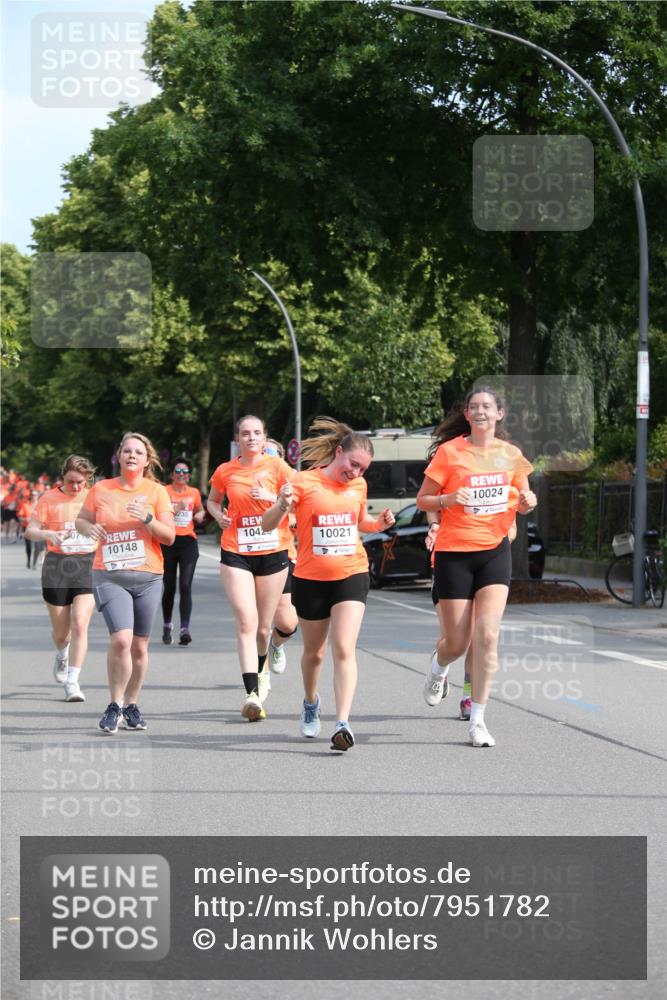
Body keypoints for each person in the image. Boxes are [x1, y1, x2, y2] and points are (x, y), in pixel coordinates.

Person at [263, 417, 395, 752]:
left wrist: (377, 523)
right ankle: (310, 702)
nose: (357, 474)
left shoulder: (359, 487)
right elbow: (268, 525)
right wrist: (282, 503)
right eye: (353, 465)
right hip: (310, 578)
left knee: (344, 648)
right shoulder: (303, 482)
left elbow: (359, 522)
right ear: (339, 452)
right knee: (314, 652)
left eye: (364, 469)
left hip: (352, 573)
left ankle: (343, 723)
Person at [416, 388, 537, 748]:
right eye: (474, 407)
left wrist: (529, 502)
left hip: (494, 552)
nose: (480, 411)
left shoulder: (511, 455)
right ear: (467, 415)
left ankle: (479, 721)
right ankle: (440, 666)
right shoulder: (450, 453)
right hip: (454, 553)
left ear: (500, 414)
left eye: (487, 406)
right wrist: (447, 500)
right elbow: (423, 498)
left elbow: (524, 501)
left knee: (487, 637)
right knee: (457, 643)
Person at [76, 433, 175, 734]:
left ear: (147, 460)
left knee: (140, 647)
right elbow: (81, 521)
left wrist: (147, 518)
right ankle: (114, 704)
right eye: (127, 451)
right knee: (121, 640)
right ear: (118, 456)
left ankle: (132, 704)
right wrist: (89, 528)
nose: (132, 456)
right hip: (109, 574)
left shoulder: (157, 492)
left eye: (139, 452)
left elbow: (169, 536)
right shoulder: (101, 489)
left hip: (148, 577)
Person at [207, 416, 294, 722]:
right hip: (236, 551)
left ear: (264, 436)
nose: (252, 438)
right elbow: (213, 500)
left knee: (262, 627)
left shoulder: (278, 467)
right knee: (246, 620)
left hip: (273, 551)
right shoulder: (225, 470)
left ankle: (264, 667)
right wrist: (218, 516)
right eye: (246, 433)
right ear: (238, 438)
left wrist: (274, 498)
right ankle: (251, 694)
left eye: (257, 433)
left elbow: (300, 499)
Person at [24, 456, 98, 703]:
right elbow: (30, 530)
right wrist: (46, 533)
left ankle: (73, 682)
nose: (76, 487)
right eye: (71, 481)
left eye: (81, 482)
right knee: (61, 633)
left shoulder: (95, 496)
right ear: (62, 476)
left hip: (87, 563)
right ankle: (62, 653)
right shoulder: (49, 499)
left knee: (80, 624)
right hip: (57, 567)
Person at [161, 457, 205, 646]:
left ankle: (184, 629)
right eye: (178, 471)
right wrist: (176, 508)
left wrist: (200, 514)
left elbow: (200, 510)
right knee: (169, 587)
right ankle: (167, 625)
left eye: (185, 472)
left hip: (188, 542)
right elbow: (159, 514)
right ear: (172, 475)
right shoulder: (164, 492)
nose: (182, 475)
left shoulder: (194, 492)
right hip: (168, 542)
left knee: (185, 586)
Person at [263, 438, 298, 674]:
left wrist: (271, 498)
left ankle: (277, 643)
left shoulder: (291, 483)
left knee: (287, 623)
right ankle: (257, 677)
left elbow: (298, 515)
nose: (266, 456)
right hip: (251, 558)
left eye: (271, 452)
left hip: (284, 553)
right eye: (264, 452)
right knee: (257, 624)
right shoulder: (245, 478)